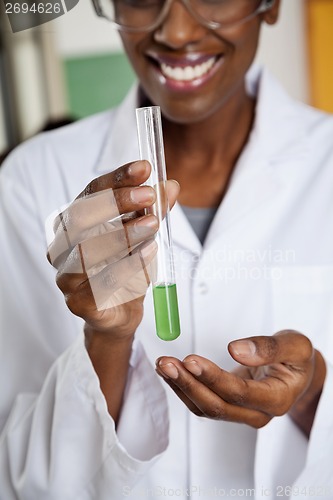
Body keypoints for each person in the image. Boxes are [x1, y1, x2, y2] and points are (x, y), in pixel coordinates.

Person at [0, 0, 333, 498]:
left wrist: (311, 395)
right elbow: (21, 476)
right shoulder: (31, 179)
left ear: (270, 6)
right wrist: (106, 340)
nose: (175, 32)